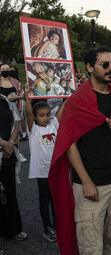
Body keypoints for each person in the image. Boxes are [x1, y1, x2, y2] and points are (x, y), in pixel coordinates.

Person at [49, 46, 111, 255]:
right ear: (90, 68)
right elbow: (68, 144)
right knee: (92, 248)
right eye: (105, 65)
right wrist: (86, 181)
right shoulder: (77, 101)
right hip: (91, 187)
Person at [25, 86, 64, 241]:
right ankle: (47, 227)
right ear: (35, 117)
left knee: (56, 199)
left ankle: (57, 224)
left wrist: (69, 93)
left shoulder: (53, 125)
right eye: (41, 115)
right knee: (44, 200)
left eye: (47, 115)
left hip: (55, 170)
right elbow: (28, 112)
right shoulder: (33, 130)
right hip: (42, 172)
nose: (45, 118)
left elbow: (62, 109)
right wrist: (27, 97)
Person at [0, 93, 28, 241]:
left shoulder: (4, 100)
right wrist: (2, 144)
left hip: (8, 155)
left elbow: (16, 122)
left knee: (9, 194)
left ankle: (13, 229)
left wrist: (10, 143)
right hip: (3, 149)